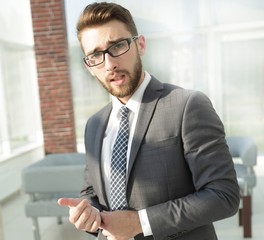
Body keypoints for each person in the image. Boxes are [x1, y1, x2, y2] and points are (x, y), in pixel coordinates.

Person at [58, 2, 240, 240]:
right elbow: (91, 191)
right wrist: (88, 214)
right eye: (96, 55)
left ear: (140, 45)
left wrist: (139, 223)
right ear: (89, 66)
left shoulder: (187, 105)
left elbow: (223, 196)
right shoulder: (94, 124)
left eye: (118, 46)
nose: (110, 63)